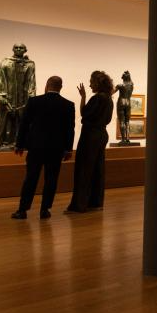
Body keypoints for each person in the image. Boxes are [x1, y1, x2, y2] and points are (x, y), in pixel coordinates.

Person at [10, 76, 75, 220]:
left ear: (47, 85)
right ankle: (45, 210)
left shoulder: (34, 101)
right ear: (61, 87)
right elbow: (70, 129)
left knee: (31, 178)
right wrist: (68, 149)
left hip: (36, 147)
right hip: (56, 149)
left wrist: (19, 144)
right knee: (51, 179)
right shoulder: (68, 105)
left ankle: (22, 210)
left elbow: (24, 124)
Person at [66, 71, 114, 214]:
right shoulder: (109, 98)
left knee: (84, 169)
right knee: (98, 168)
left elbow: (84, 113)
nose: (90, 85)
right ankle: (95, 202)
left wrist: (83, 97)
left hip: (90, 136)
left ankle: (79, 205)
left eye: (92, 82)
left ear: (98, 83)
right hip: (101, 134)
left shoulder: (97, 98)